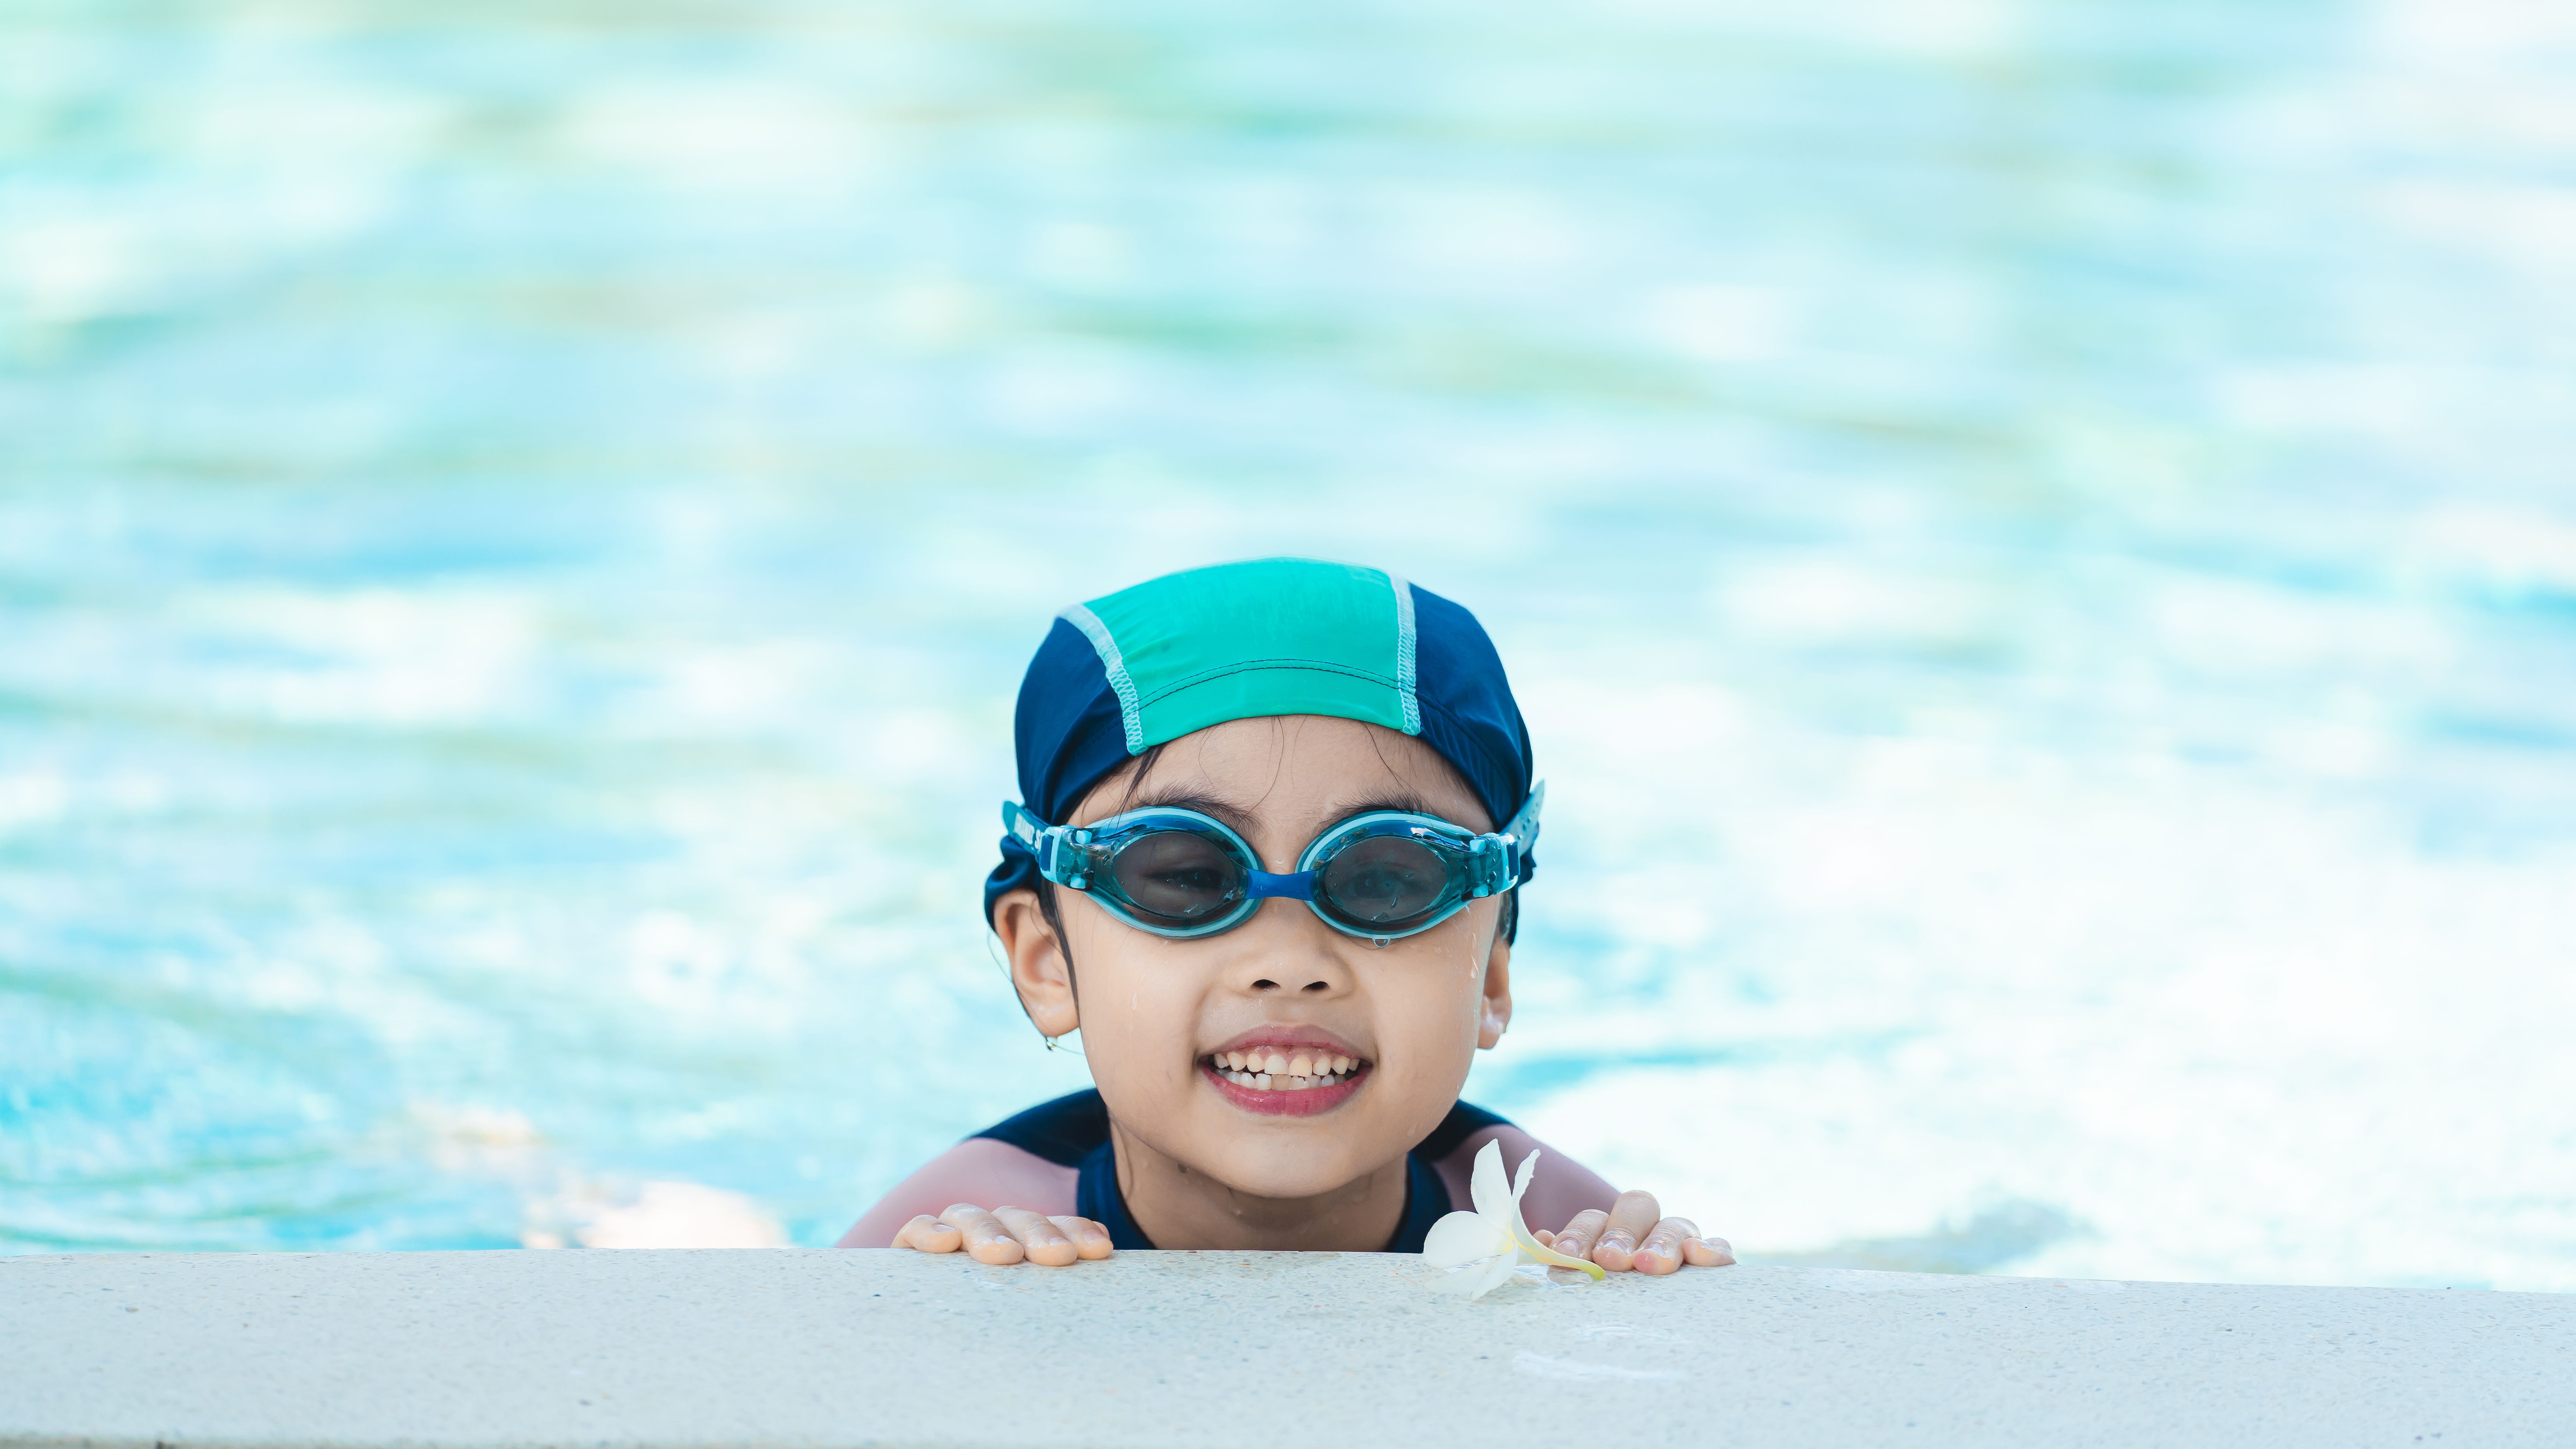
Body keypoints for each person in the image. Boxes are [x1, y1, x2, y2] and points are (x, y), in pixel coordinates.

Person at [837, 558, 1732, 1276]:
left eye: (1388, 879)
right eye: (1186, 876)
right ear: (1047, 962)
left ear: (1492, 972)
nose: (1289, 960)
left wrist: (1649, 1269)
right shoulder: (970, 1227)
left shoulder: (1548, 1228)